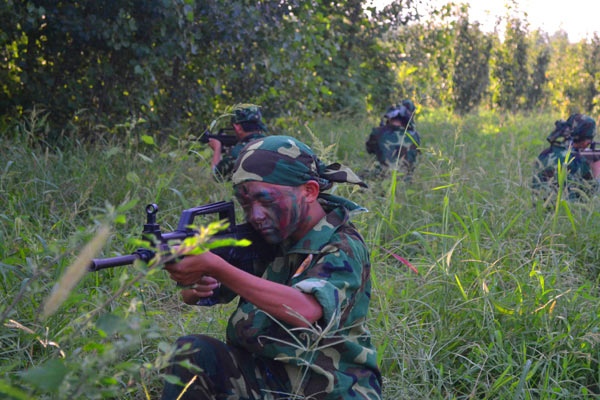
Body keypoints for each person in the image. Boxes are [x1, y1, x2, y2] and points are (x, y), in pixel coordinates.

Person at [162, 136, 382, 399]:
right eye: (246, 204)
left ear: (309, 191)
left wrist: (219, 268)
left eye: (267, 201)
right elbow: (192, 296)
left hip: (332, 387)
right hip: (267, 377)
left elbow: (305, 309)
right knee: (193, 352)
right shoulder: (270, 236)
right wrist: (198, 280)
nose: (255, 215)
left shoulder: (341, 244)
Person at [532, 113, 600, 201]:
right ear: (586, 142)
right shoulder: (578, 161)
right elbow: (592, 194)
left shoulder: (544, 154)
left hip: (539, 211)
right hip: (566, 212)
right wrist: (597, 172)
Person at [365, 99, 421, 180]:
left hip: (381, 177)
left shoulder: (378, 132)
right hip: (406, 180)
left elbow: (370, 150)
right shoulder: (415, 136)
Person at [209, 105, 267, 180]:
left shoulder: (239, 152)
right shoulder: (271, 143)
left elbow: (214, 179)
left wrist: (217, 148)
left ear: (237, 127)